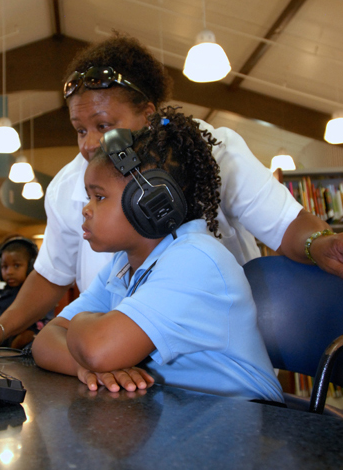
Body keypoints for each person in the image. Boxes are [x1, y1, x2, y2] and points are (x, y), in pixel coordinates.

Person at [0, 33, 343, 360]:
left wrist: (319, 244)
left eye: (104, 125)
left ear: (148, 113)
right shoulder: (97, 238)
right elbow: (53, 274)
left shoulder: (207, 155)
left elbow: (285, 223)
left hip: (206, 361)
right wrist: (0, 329)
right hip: (122, 360)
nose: (90, 144)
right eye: (79, 129)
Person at [32, 107, 285, 403]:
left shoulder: (196, 259)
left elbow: (98, 348)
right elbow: (46, 342)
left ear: (150, 201)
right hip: (179, 418)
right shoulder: (122, 265)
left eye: (99, 197)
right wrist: (86, 368)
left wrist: (81, 329)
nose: (85, 209)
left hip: (246, 424)